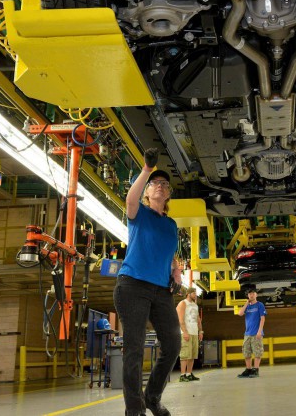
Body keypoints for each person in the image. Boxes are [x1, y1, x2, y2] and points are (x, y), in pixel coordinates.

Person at [113, 148, 182, 416]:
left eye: (165, 185)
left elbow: (168, 252)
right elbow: (129, 200)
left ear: (169, 194)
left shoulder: (172, 224)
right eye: (156, 184)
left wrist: (176, 270)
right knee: (134, 348)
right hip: (132, 287)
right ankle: (135, 409)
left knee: (173, 345)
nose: (161, 187)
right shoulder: (138, 213)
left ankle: (152, 397)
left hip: (161, 290)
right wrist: (147, 170)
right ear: (147, 191)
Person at [237, 289, 266, 378]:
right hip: (247, 334)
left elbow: (262, 318)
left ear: (256, 295)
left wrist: (260, 331)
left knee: (257, 352)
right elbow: (240, 313)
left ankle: (256, 370)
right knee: (246, 352)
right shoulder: (247, 307)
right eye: (249, 294)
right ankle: (248, 369)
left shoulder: (259, 305)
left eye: (253, 293)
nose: (251, 295)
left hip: (256, 333)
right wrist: (246, 303)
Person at [177, 287, 203, 382]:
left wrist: (200, 331)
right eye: (194, 293)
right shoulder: (183, 303)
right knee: (185, 354)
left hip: (194, 332)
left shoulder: (195, 305)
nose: (195, 295)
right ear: (188, 294)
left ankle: (189, 374)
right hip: (186, 332)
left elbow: (198, 319)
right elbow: (180, 319)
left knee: (192, 354)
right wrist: (185, 332)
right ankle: (182, 375)